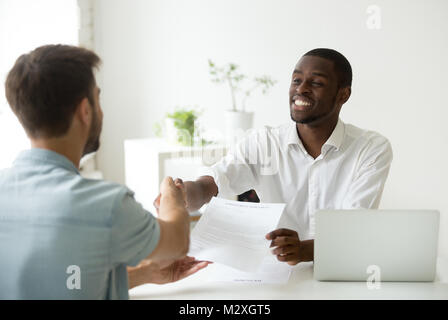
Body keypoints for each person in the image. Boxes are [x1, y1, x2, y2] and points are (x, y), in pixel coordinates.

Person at [0, 44, 209, 299]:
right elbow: (177, 244)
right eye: (98, 98)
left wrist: (144, 274)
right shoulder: (106, 205)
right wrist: (172, 195)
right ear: (85, 111)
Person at [156, 48, 393, 266]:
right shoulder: (264, 142)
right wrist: (184, 195)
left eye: (316, 82)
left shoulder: (371, 149)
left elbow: (356, 229)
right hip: (276, 274)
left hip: (342, 271)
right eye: (296, 80)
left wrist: (304, 250)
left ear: (343, 95)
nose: (301, 89)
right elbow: (213, 183)